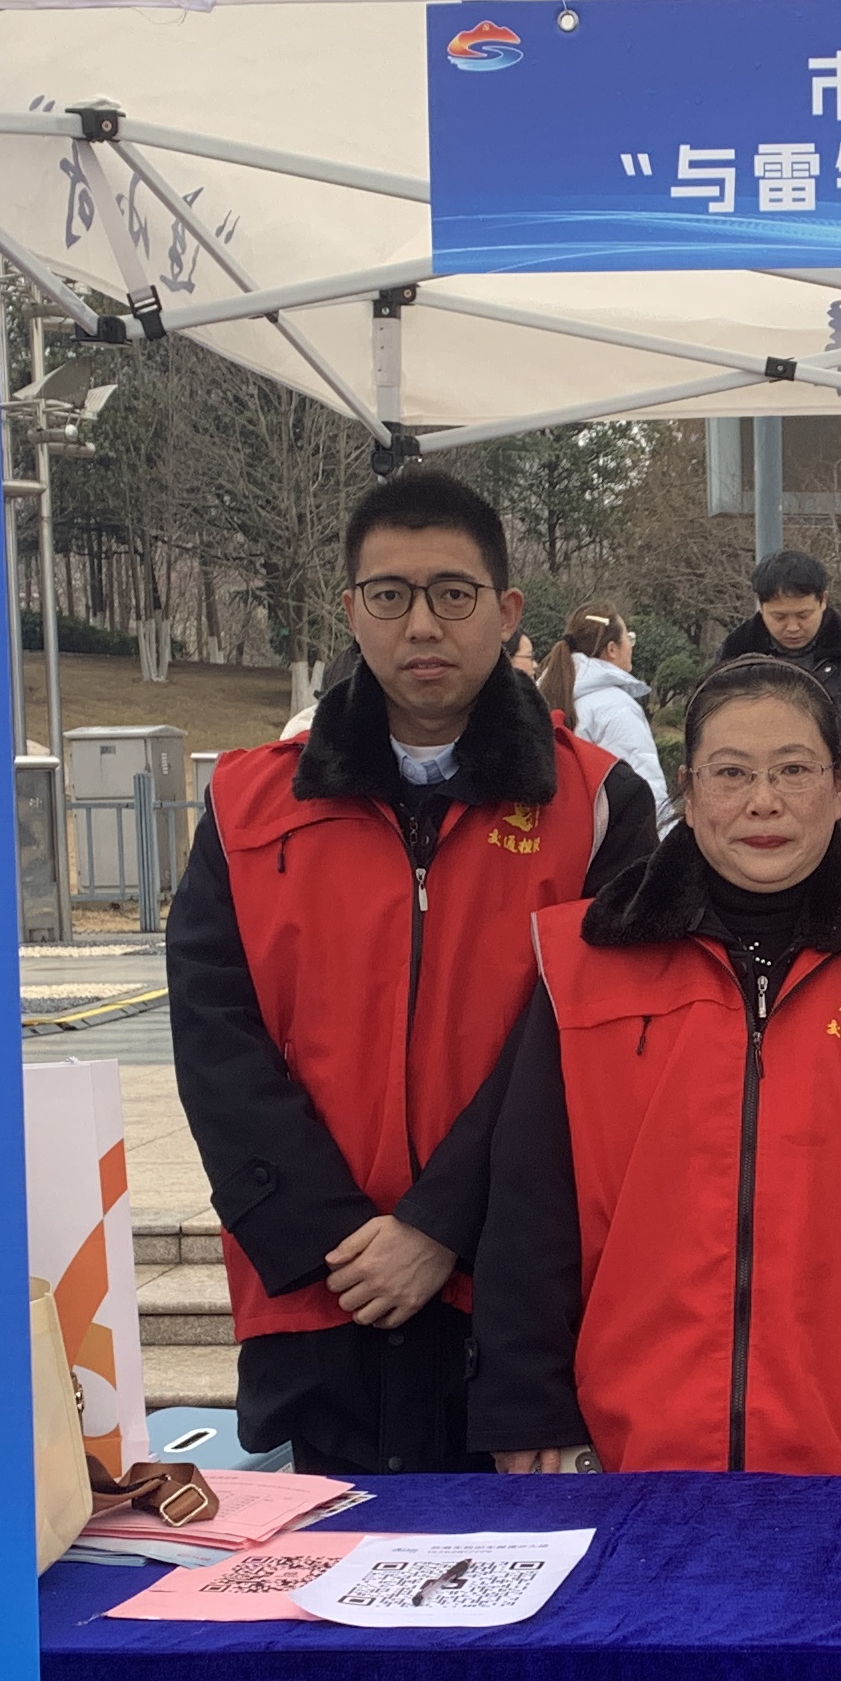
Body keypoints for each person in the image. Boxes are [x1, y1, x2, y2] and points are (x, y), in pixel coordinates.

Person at [171, 468, 660, 1477]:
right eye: (390, 595)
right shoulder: (246, 804)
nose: (422, 624)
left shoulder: (599, 805)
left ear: (507, 611)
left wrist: (440, 1227)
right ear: (351, 610)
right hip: (322, 1287)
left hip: (515, 1288)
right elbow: (216, 1041)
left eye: (453, 593)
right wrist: (340, 1239)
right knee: (331, 1559)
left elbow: (581, 1050)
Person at [472, 658, 841, 1475]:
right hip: (626, 1446)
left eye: (794, 770)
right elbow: (528, 1206)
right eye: (731, 774)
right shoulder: (580, 961)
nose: (764, 802)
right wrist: (527, 1407)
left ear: (839, 784)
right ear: (687, 790)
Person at [721, 550, 841, 815]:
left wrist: (818, 710)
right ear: (761, 607)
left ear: (823, 601)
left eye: (803, 615)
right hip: (751, 808)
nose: (793, 627)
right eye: (779, 617)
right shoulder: (735, 657)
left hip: (834, 814)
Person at [536, 608, 668, 800]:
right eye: (629, 638)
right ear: (612, 649)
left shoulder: (542, 696)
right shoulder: (617, 707)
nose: (631, 645)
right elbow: (646, 788)